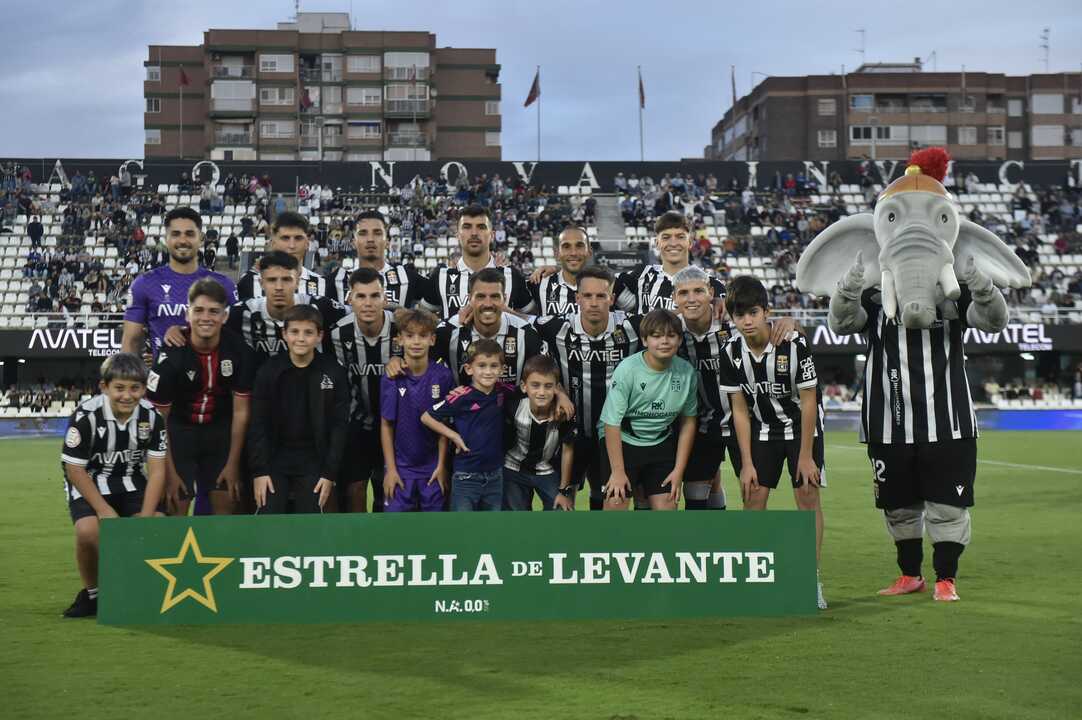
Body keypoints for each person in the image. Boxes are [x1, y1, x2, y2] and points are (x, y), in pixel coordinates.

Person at [829, 249, 1009, 603]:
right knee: (898, 507)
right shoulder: (875, 296)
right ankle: (910, 574)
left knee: (948, 507)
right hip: (888, 424)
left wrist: (983, 286)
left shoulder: (954, 295)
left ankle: (946, 578)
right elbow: (840, 323)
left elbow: (994, 321)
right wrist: (847, 287)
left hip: (949, 424)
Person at [718, 276, 827, 609]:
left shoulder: (793, 345)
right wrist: (746, 463)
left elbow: (809, 401)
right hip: (762, 430)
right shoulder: (730, 353)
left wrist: (806, 457)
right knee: (753, 498)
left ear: (766, 311)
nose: (747, 321)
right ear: (731, 318)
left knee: (807, 496)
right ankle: (757, 579)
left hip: (801, 430)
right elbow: (739, 410)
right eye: (739, 315)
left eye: (753, 312)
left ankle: (811, 579)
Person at [60, 353, 167, 617]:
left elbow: (156, 471)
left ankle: (142, 591)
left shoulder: (152, 417)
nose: (127, 395)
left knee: (158, 524)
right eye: (119, 388)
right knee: (88, 531)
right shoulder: (86, 415)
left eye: (135, 388)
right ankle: (93, 594)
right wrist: (104, 511)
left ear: (144, 388)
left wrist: (147, 515)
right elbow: (74, 468)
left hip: (132, 480)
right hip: (91, 483)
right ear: (104, 386)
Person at [534, 265, 642, 510]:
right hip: (571, 432)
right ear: (577, 298)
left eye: (601, 296)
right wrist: (559, 392)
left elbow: (672, 325)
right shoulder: (557, 327)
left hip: (617, 433)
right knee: (562, 500)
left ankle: (603, 547)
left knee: (612, 497)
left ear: (612, 299)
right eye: (588, 296)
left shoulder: (633, 327)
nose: (594, 302)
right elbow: (516, 319)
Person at [147, 279, 254, 517]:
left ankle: (221, 554)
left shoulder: (239, 351)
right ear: (187, 314)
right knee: (176, 504)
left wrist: (233, 464)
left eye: (214, 311)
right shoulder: (170, 357)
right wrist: (170, 472)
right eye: (199, 310)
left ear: (224, 317)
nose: (206, 317)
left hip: (220, 433)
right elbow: (159, 420)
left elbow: (241, 412)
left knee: (227, 503)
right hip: (179, 434)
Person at [248, 305, 349, 514]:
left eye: (308, 332)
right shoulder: (269, 371)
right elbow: (258, 424)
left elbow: (339, 426)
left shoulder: (333, 371)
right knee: (270, 517)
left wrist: (329, 473)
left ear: (320, 336)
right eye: (294, 332)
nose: (301, 338)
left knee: (309, 522)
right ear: (284, 334)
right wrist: (260, 471)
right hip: (276, 460)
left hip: (314, 460)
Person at [598, 309, 698, 511]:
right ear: (644, 340)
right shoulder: (627, 370)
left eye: (671, 336)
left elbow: (688, 421)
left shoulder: (686, 372)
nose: (664, 341)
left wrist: (679, 470)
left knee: (668, 507)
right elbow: (611, 423)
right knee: (615, 503)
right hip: (624, 442)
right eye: (657, 335)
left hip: (660, 443)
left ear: (679, 340)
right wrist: (617, 472)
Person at [327, 268, 402, 512]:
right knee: (355, 487)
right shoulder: (337, 333)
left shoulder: (402, 329)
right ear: (350, 299)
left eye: (374, 296)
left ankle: (386, 540)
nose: (368, 303)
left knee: (389, 488)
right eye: (361, 296)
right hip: (355, 423)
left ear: (385, 299)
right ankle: (356, 541)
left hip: (397, 425)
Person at [122, 207, 237, 357]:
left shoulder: (224, 285)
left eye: (190, 234)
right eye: (176, 234)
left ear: (201, 238)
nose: (183, 240)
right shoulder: (144, 284)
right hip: (164, 377)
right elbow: (131, 342)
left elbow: (235, 340)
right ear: (166, 239)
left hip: (212, 378)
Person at [379, 308, 456, 512]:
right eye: (410, 335)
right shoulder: (391, 377)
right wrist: (391, 469)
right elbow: (386, 425)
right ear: (399, 340)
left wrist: (441, 466)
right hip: (400, 469)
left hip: (432, 469)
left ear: (432, 340)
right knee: (395, 533)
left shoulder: (443, 376)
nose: (416, 341)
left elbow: (444, 426)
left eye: (422, 336)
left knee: (434, 533)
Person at [672, 266, 736, 511]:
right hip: (701, 422)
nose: (691, 299)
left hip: (744, 420)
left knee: (753, 488)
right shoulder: (672, 330)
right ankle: (700, 544)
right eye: (684, 293)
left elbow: (767, 328)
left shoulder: (733, 324)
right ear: (675, 298)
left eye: (698, 291)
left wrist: (790, 321)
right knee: (695, 491)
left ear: (711, 292)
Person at [422, 339, 512, 511]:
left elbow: (527, 390)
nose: (488, 371)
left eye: (494, 366)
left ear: (502, 369)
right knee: (463, 529)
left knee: (491, 529)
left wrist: (560, 395)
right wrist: (453, 436)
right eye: (482, 365)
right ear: (469, 368)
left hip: (495, 476)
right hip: (466, 476)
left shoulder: (503, 391)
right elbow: (426, 417)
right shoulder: (461, 396)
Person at [222, 252, 346, 369]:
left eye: (286, 280)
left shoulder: (321, 307)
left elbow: (355, 316)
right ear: (261, 283)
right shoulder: (241, 312)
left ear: (297, 282)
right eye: (271, 280)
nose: (279, 287)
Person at [434, 268, 547, 386]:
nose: (488, 304)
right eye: (480, 297)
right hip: (463, 404)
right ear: (469, 299)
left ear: (505, 299)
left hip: (513, 404)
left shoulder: (525, 333)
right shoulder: (448, 331)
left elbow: (545, 375)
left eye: (495, 296)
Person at [421, 205, 535, 319]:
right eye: (467, 227)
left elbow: (532, 320)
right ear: (457, 235)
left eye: (481, 227)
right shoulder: (440, 276)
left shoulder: (512, 276)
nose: (474, 233)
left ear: (492, 235)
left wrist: (509, 315)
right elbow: (422, 320)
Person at [502, 355, 577, 511]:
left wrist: (563, 490)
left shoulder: (563, 414)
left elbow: (567, 450)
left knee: (561, 510)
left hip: (546, 471)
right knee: (515, 517)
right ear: (524, 386)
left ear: (556, 388)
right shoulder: (513, 405)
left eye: (548, 386)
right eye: (535, 385)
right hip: (513, 468)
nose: (541, 392)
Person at [614, 211, 725, 314]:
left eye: (680, 237)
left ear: (690, 242)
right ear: (657, 243)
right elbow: (607, 283)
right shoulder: (641, 275)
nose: (673, 243)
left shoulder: (711, 284)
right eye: (666, 237)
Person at [324, 210, 431, 308]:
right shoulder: (337, 279)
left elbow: (439, 299)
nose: (370, 239)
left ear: (387, 242)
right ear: (353, 243)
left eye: (377, 233)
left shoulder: (407, 277)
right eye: (363, 233)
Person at [237, 211, 326, 300]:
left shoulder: (322, 284)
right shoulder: (249, 283)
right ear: (273, 243)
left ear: (307, 244)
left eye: (298, 238)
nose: (292, 245)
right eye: (285, 238)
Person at [529, 226, 592, 316]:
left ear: (589, 251)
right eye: (566, 247)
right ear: (557, 253)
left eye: (579, 246)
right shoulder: (539, 283)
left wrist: (556, 267)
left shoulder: (608, 286)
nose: (573, 253)